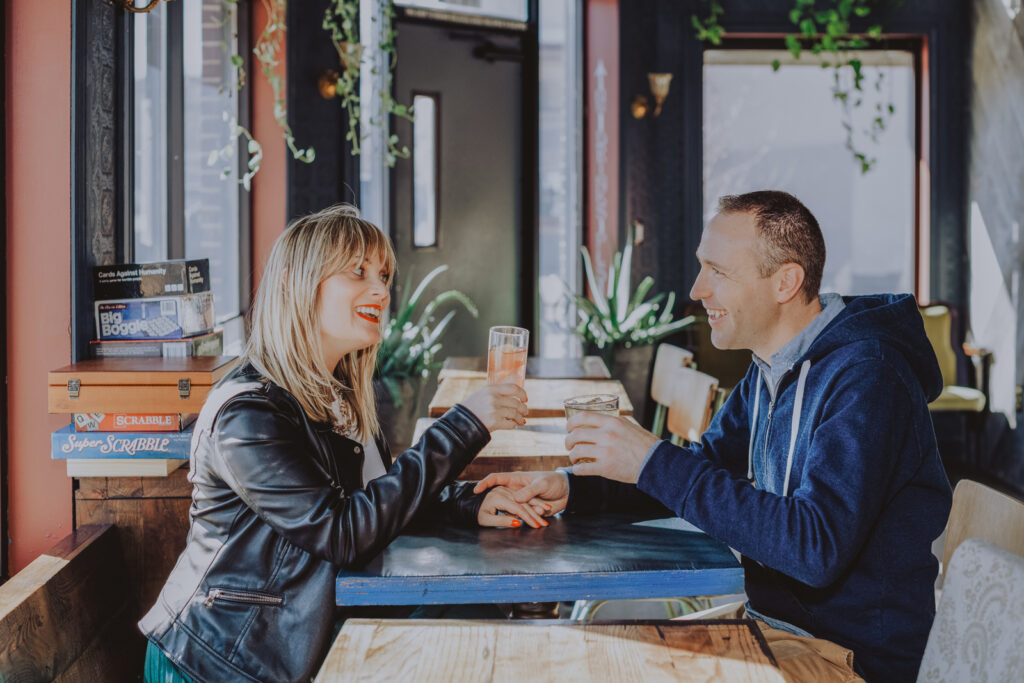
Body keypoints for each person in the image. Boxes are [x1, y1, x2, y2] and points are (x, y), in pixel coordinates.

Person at [476, 190, 952, 683]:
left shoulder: (869, 378)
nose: (698, 289)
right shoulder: (773, 365)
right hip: (772, 628)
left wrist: (652, 460)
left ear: (785, 281)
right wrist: (574, 486)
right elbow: (705, 465)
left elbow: (816, 550)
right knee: (583, 659)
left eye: (718, 272)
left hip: (849, 659)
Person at [139, 204, 546, 683]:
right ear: (294, 283)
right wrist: (465, 424)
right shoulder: (247, 415)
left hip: (293, 647)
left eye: (384, 275)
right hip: (220, 662)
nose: (380, 290)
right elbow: (342, 531)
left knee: (479, 625)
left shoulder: (339, 397)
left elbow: (373, 497)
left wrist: (466, 504)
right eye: (358, 272)